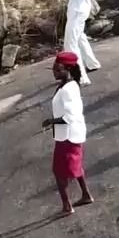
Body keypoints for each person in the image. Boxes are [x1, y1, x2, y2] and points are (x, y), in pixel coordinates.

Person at [41, 52, 94, 217]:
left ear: (68, 69)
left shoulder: (68, 90)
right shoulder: (68, 85)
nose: (54, 72)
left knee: (59, 172)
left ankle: (67, 206)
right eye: (54, 69)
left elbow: (70, 116)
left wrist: (52, 121)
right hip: (70, 134)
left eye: (58, 69)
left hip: (68, 136)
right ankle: (85, 195)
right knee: (76, 166)